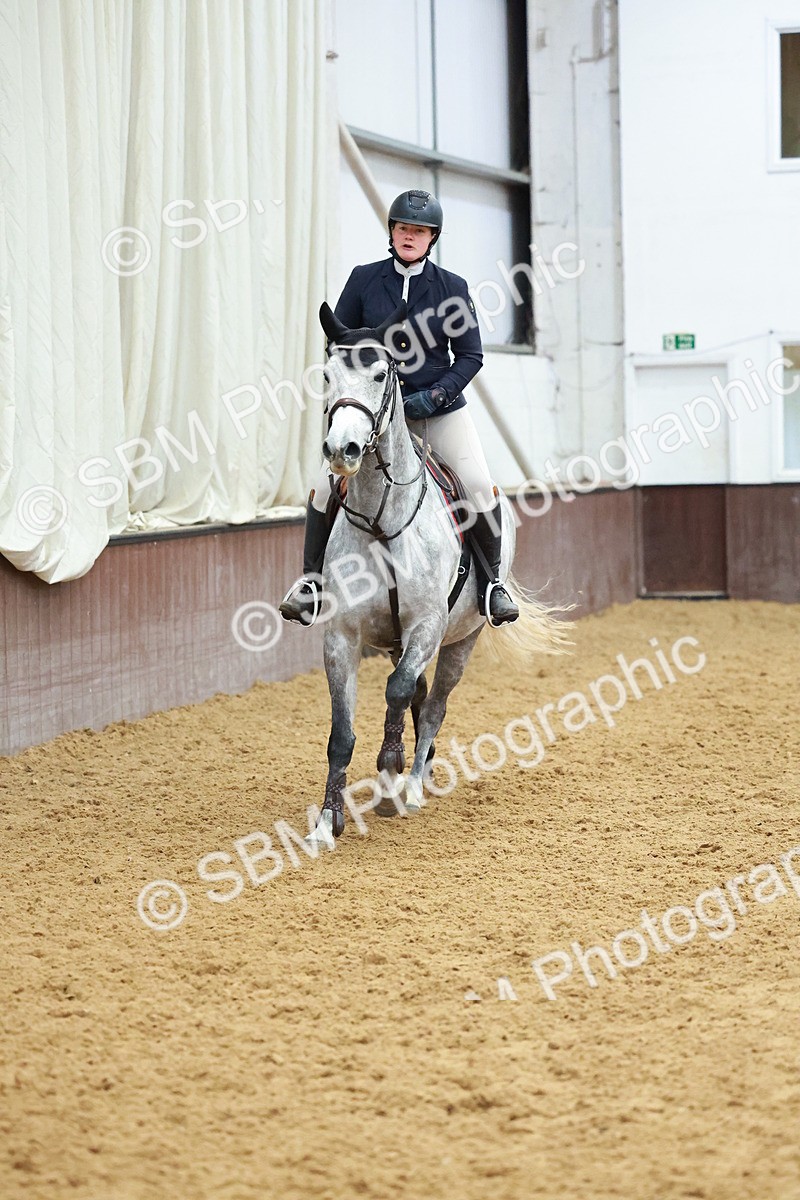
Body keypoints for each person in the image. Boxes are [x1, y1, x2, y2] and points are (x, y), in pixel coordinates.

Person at [280, 188, 519, 627]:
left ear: (432, 238)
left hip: (437, 410)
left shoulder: (452, 288)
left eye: (420, 231)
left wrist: (436, 395)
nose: (410, 236)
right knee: (321, 486)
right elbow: (341, 343)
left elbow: (471, 356)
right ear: (392, 232)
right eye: (404, 228)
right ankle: (311, 583)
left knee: (480, 485)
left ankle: (492, 585)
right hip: (375, 413)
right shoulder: (363, 280)